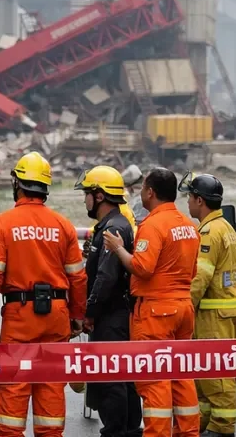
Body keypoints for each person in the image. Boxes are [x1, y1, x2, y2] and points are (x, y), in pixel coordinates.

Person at [0, 151, 88, 437]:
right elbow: (78, 276)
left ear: (18, 184)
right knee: (51, 383)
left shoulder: (3, 223)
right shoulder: (63, 225)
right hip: (57, 316)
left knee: (14, 384)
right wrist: (77, 315)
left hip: (19, 316)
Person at [103, 167, 201, 437]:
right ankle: (188, 432)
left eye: (144, 187)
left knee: (155, 378)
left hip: (156, 312)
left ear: (150, 192)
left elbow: (142, 268)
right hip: (183, 308)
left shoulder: (153, 225)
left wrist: (118, 248)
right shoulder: (189, 226)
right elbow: (192, 272)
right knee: (181, 375)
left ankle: (157, 434)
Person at [75, 166, 142, 437]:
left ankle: (116, 431)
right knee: (123, 377)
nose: (85, 200)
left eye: (88, 194)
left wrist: (89, 311)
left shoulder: (113, 229)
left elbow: (105, 277)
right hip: (117, 314)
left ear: (99, 196)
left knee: (111, 377)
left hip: (111, 317)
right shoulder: (113, 225)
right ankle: (128, 429)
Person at [181, 173, 236, 437]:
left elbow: (200, 277)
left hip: (212, 314)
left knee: (217, 371)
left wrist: (185, 308)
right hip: (226, 310)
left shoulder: (208, 232)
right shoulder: (226, 228)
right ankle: (206, 419)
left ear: (199, 200)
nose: (187, 203)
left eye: (189, 198)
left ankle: (222, 426)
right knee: (208, 371)